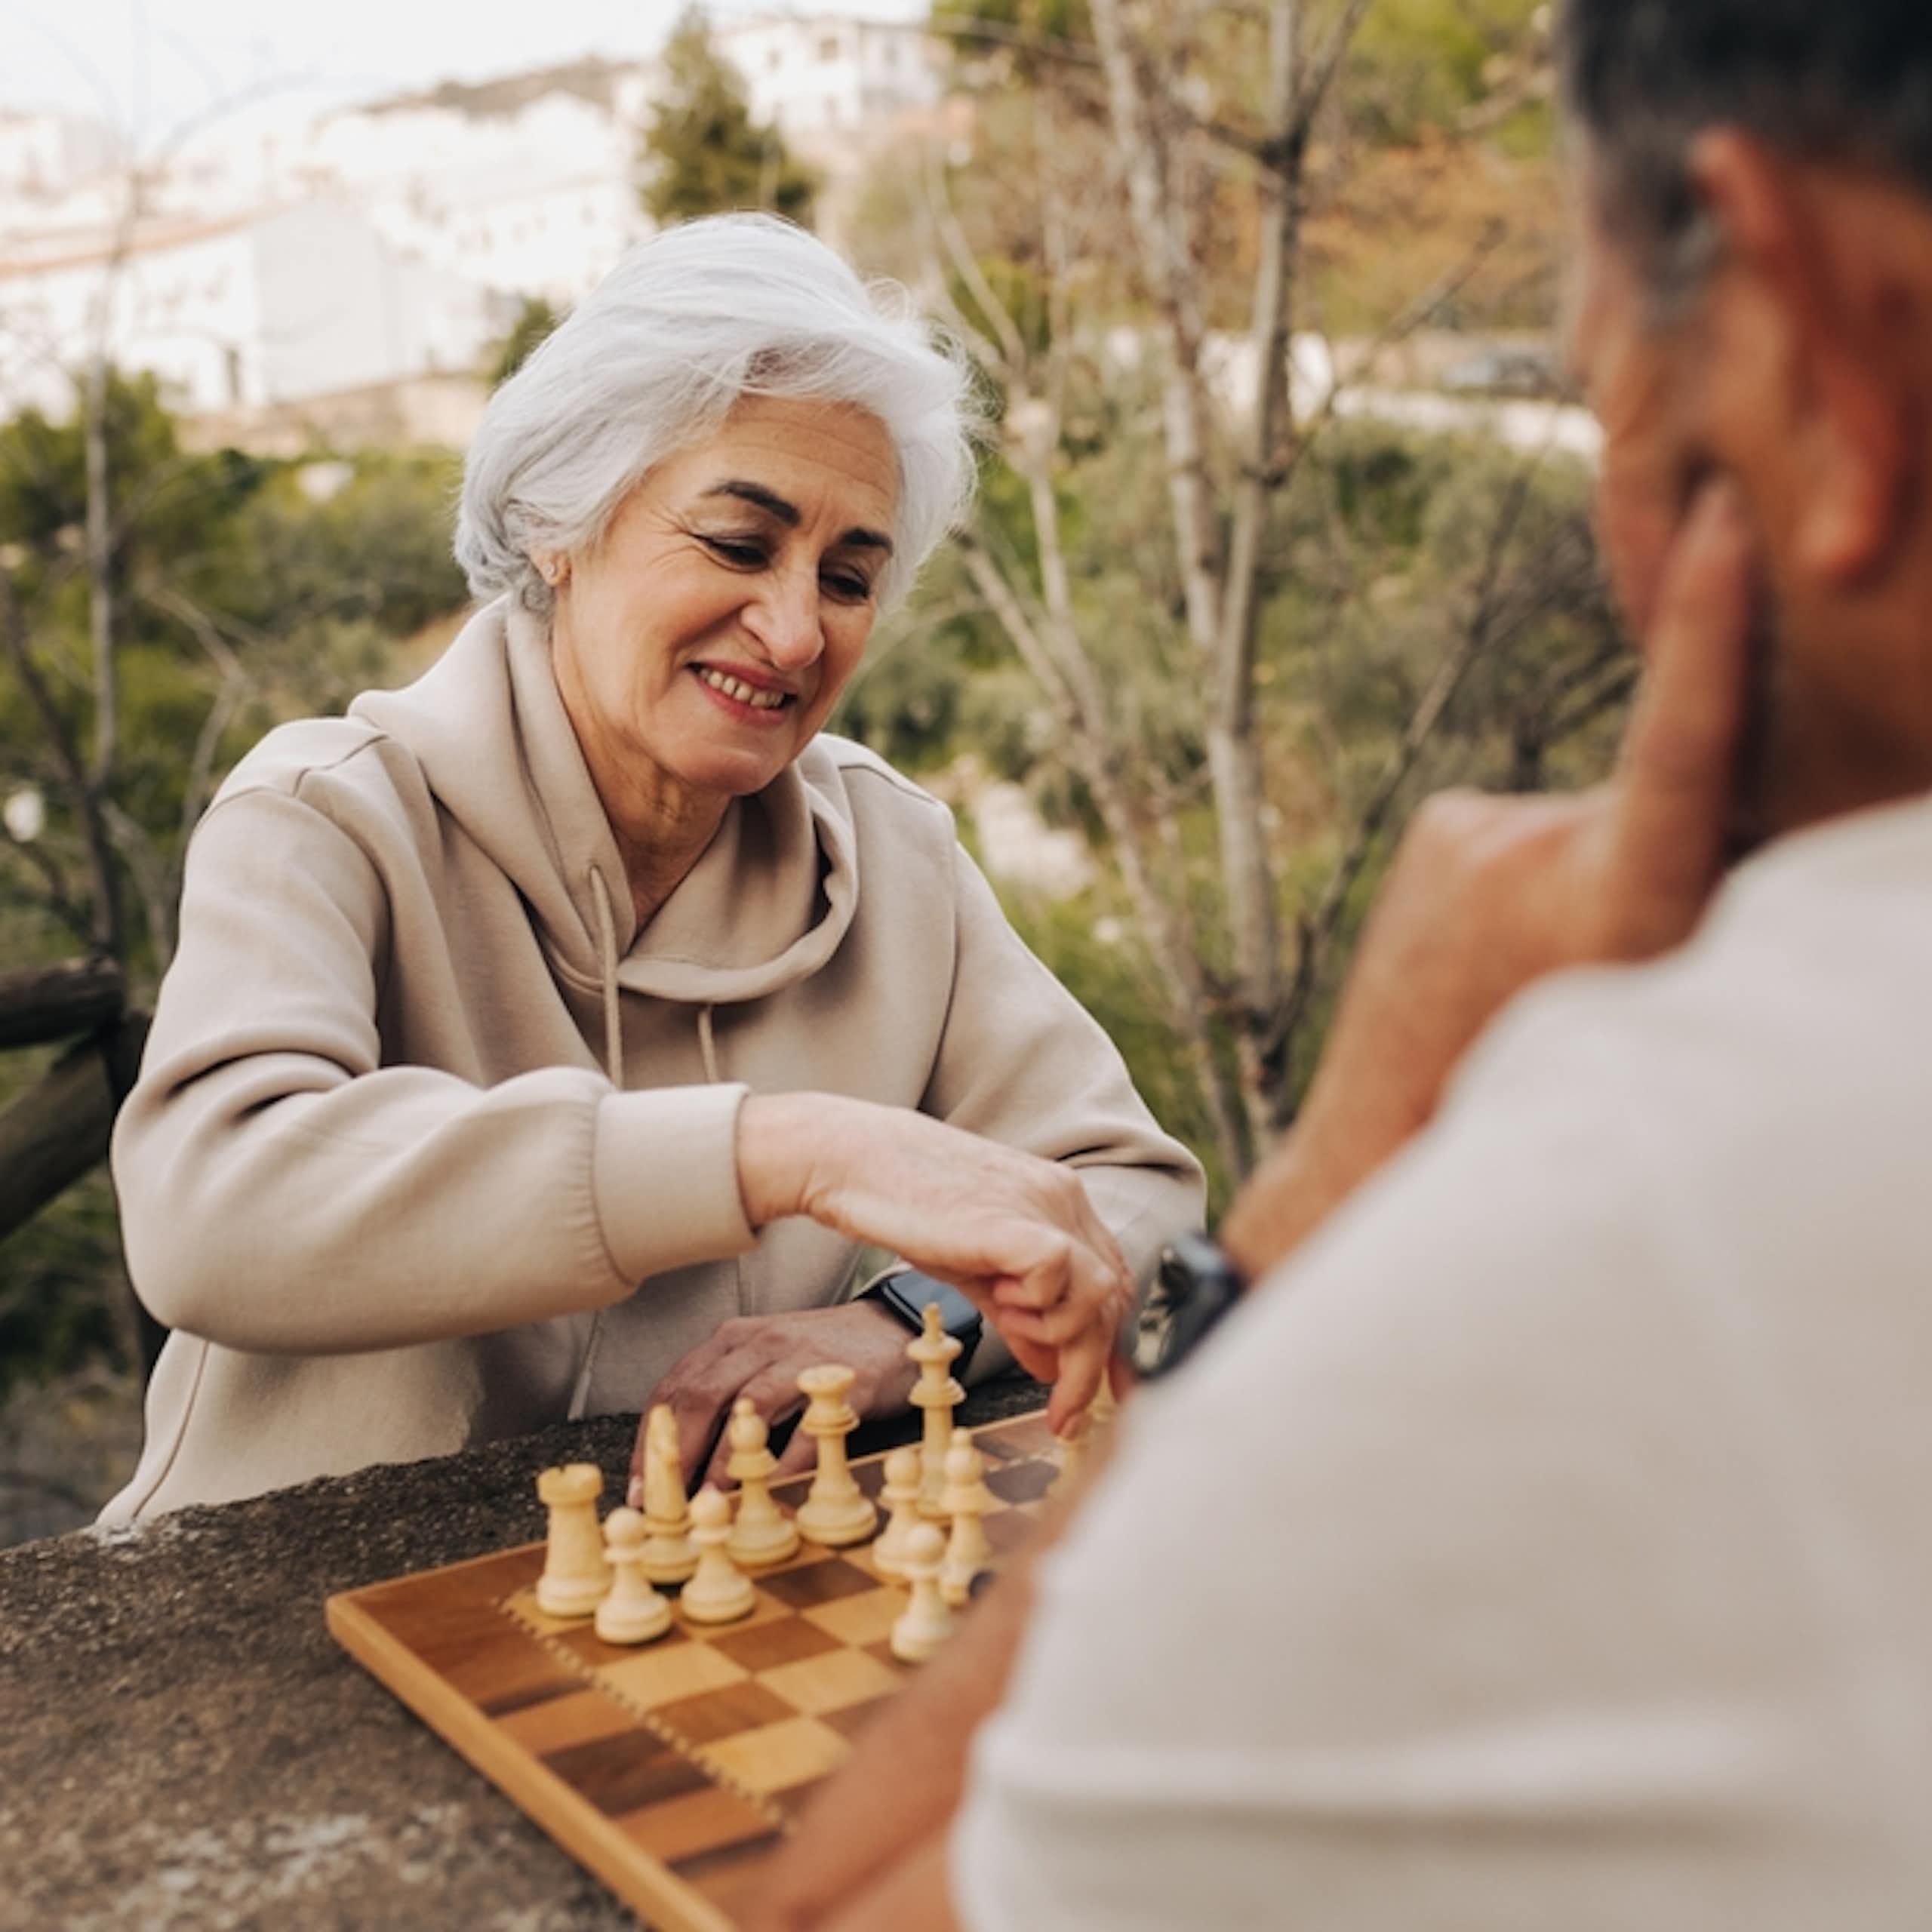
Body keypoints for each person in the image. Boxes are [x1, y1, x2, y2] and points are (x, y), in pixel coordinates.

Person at [747, 2, 1932, 1926]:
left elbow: (843, 1904)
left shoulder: (1635, 1210)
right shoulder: (341, 808)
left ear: (1807, 345)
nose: (796, 624)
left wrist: (1350, 1162)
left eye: (1598, 383)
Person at [101, 215, 1201, 1524]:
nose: (796, 631)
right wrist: (781, 1150)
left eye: (849, 577)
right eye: (740, 546)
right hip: (294, 1617)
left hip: (706, 1597)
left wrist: (906, 1324)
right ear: (559, 524)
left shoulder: (894, 852)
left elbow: (1130, 1199)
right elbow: (211, 1212)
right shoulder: (324, 813)